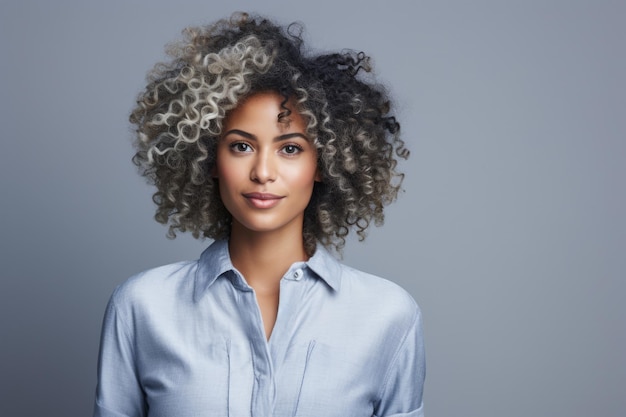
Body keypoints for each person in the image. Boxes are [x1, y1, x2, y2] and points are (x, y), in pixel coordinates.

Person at [94, 12, 425, 417]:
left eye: (290, 148)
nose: (263, 172)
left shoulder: (388, 315)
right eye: (241, 146)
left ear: (323, 164)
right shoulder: (142, 307)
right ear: (209, 157)